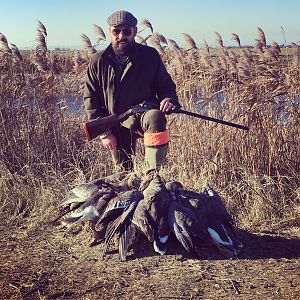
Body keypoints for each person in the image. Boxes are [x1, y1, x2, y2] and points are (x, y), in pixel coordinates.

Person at [83, 10, 180, 173]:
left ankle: (154, 176)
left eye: (127, 31)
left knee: (155, 116)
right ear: (110, 32)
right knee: (123, 173)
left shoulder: (150, 56)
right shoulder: (97, 61)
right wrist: (105, 132)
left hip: (143, 115)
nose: (121, 36)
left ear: (134, 32)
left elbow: (166, 86)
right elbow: (91, 98)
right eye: (116, 31)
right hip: (115, 122)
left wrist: (168, 99)